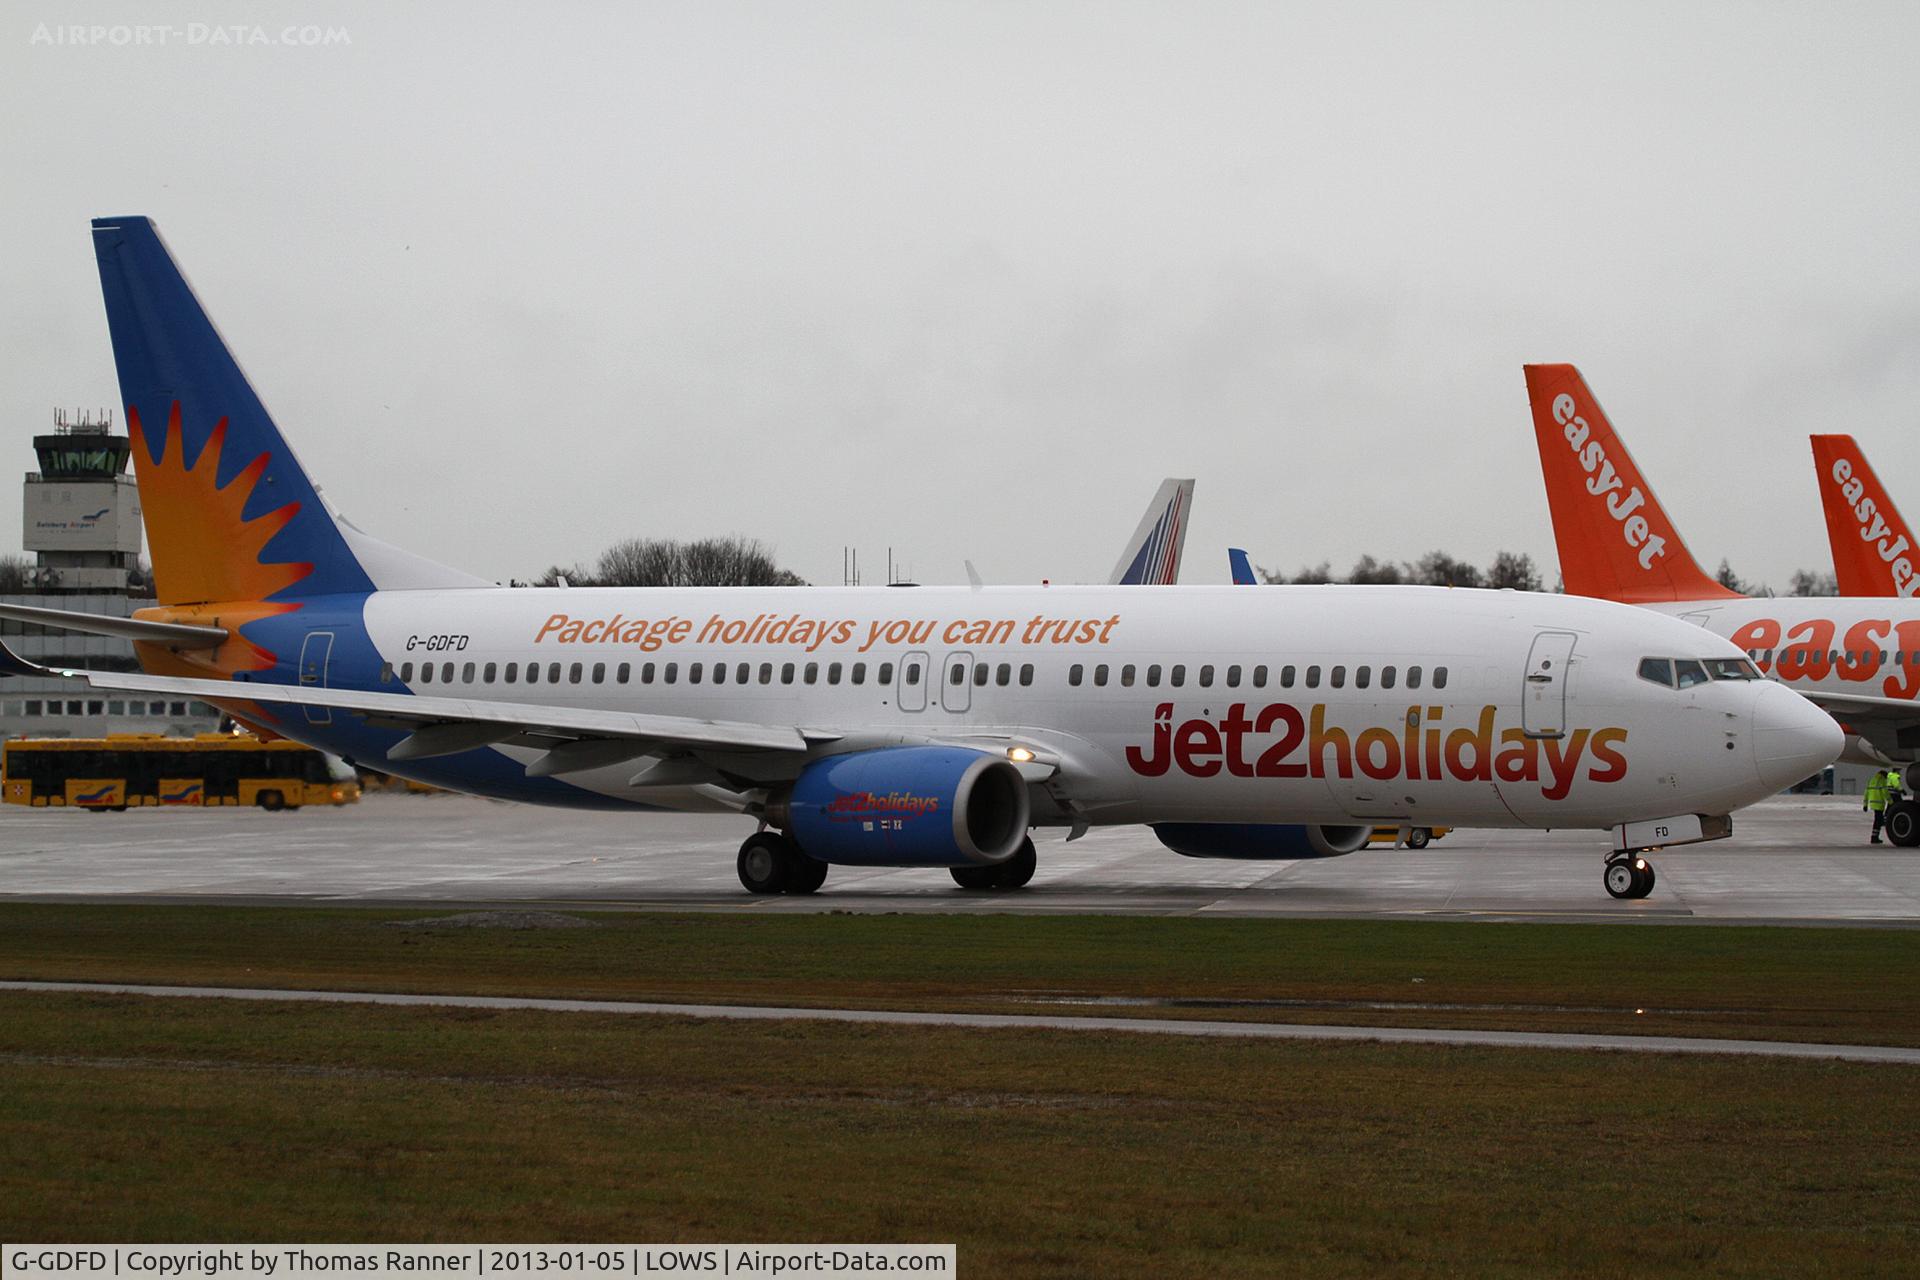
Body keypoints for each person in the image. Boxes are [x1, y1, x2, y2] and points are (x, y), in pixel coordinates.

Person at [1864, 767, 1902, 844]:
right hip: (1879, 804)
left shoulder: (1872, 780)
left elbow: (1866, 793)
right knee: (1878, 821)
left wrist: (1865, 804)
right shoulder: (1882, 781)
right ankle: (1874, 838)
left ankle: (1874, 836)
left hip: (1873, 803)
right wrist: (1890, 802)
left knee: (1878, 820)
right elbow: (1885, 793)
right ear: (1883, 776)